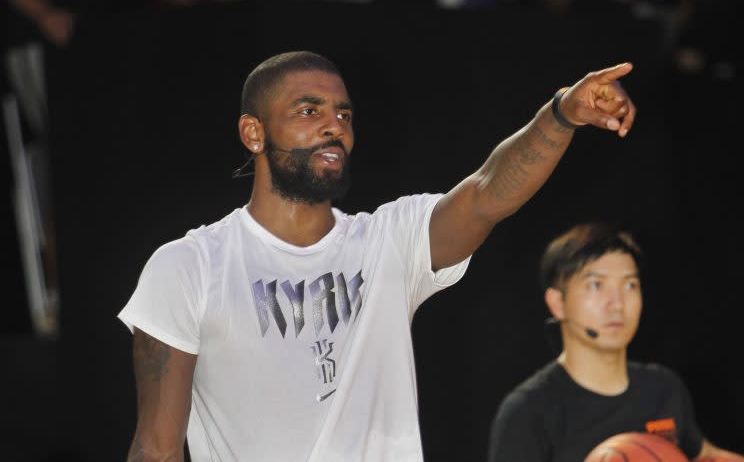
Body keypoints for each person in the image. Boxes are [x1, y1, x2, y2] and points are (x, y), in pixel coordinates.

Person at [118, 51, 636, 462]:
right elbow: (157, 449)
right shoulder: (189, 266)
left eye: (343, 113)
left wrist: (562, 114)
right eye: (308, 110)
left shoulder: (389, 240)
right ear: (254, 133)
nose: (334, 126)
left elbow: (486, 193)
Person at [486, 223, 744, 462]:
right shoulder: (528, 412)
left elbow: (704, 455)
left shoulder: (664, 389)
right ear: (557, 303)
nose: (617, 303)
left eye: (630, 285)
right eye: (596, 285)